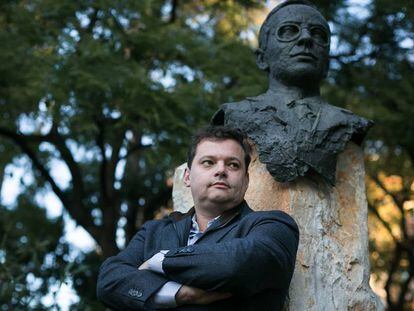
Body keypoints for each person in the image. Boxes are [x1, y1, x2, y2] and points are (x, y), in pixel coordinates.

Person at [96, 125, 299, 310]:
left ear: (246, 181)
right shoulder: (153, 232)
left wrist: (160, 261)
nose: (221, 170)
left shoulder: (274, 226)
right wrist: (180, 294)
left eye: (233, 165)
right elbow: (109, 281)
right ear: (187, 177)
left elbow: (237, 264)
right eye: (208, 162)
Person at [212, 0, 373, 186]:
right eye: (289, 31)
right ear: (262, 59)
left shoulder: (349, 123)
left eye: (318, 34)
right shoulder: (234, 114)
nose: (306, 38)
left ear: (327, 65)